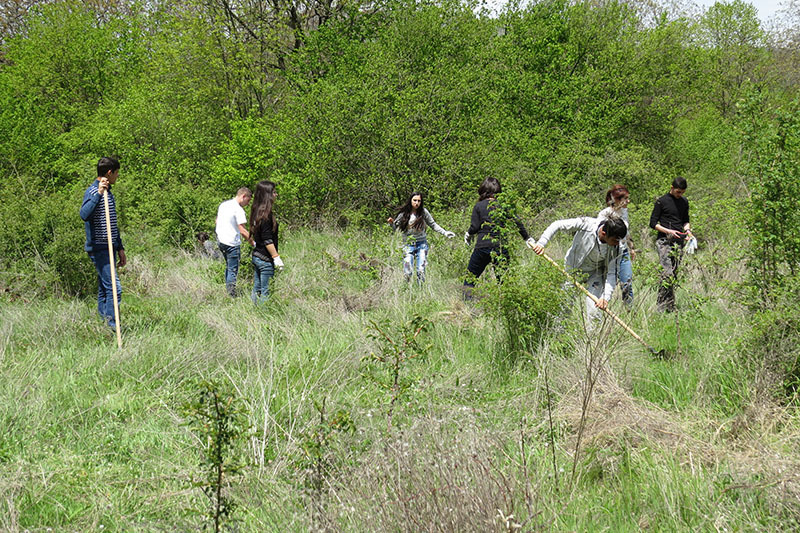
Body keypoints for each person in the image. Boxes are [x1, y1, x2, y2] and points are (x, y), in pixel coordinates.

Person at [532, 216, 628, 322]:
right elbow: (557, 225)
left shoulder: (618, 247)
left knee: (594, 309)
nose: (618, 243)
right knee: (564, 305)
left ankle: (593, 337)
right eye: (615, 240)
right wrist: (541, 243)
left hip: (595, 274)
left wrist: (605, 297)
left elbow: (612, 273)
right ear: (604, 234)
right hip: (573, 270)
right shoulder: (586, 224)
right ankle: (558, 334)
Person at [463, 177, 536, 293]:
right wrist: (527, 238)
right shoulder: (503, 205)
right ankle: (504, 307)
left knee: (470, 279)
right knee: (503, 281)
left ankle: (466, 307)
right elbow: (517, 222)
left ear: (483, 190)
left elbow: (475, 227)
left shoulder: (479, 206)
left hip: (482, 246)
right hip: (500, 246)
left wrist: (468, 234)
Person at [80, 156, 126, 329]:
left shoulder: (109, 192)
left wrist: (119, 247)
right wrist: (98, 194)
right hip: (99, 248)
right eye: (116, 173)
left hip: (110, 247)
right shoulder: (93, 192)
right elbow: (84, 214)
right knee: (114, 289)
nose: (117, 176)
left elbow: (112, 223)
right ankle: (113, 327)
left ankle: (103, 324)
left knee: (104, 288)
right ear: (109, 172)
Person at [388, 192, 455, 283]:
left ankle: (420, 290)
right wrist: (391, 223)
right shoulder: (404, 214)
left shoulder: (423, 212)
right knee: (408, 272)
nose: (417, 203)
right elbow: (396, 228)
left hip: (422, 244)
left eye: (419, 201)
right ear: (410, 201)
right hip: (408, 244)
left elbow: (433, 224)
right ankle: (406, 289)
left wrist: (445, 232)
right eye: (414, 200)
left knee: (421, 270)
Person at [649, 177, 692, 312]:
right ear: (672, 188)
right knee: (666, 273)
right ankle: (661, 307)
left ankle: (670, 306)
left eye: (682, 192)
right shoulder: (661, 201)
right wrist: (668, 231)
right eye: (678, 192)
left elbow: (685, 221)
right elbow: (653, 223)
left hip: (678, 242)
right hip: (664, 241)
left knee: (673, 274)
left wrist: (688, 232)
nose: (680, 195)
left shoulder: (684, 202)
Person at [598, 184, 635, 306]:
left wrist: (631, 247)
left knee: (627, 282)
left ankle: (629, 310)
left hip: (623, 251)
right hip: (609, 252)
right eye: (625, 199)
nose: (628, 201)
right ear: (617, 200)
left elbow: (626, 232)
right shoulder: (605, 214)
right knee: (606, 281)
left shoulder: (624, 212)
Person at [249, 180, 284, 304]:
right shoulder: (266, 215)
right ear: (267, 195)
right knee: (265, 291)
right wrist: (276, 257)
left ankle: (253, 313)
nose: (276, 195)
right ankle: (264, 317)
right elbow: (267, 240)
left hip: (257, 255)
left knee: (256, 288)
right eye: (274, 192)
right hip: (265, 258)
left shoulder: (256, 211)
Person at [215, 187, 253, 297]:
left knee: (228, 266)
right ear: (243, 196)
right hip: (232, 243)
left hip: (221, 241)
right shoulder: (239, 210)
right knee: (232, 269)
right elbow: (243, 230)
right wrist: (253, 243)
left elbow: (217, 220)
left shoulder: (224, 205)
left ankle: (228, 290)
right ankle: (231, 295)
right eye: (248, 200)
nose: (248, 203)